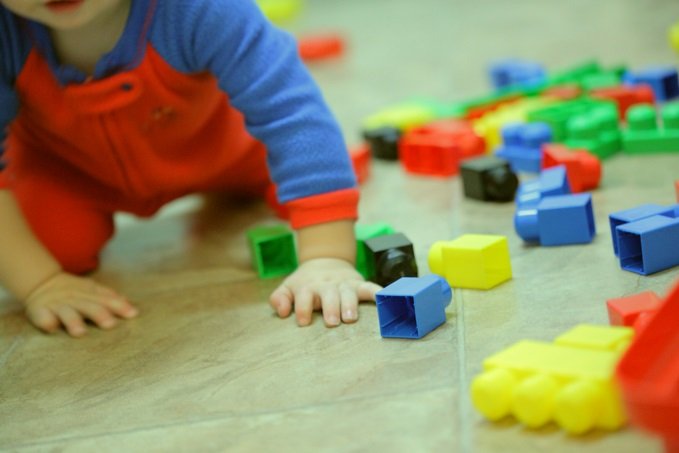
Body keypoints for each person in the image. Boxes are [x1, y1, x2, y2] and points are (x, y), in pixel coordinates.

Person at [0, 0, 381, 337]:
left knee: (312, 164)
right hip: (68, 172)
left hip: (227, 151)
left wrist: (326, 257)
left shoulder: (201, 8)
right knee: (49, 252)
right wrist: (41, 284)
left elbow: (289, 109)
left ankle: (319, 179)